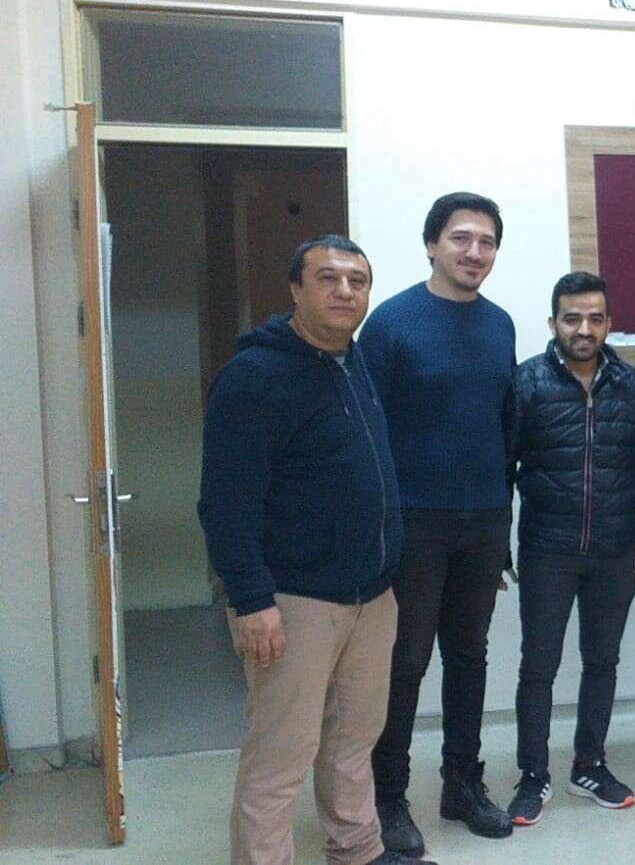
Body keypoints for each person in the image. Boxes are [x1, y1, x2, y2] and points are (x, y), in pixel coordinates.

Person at [198, 236, 430, 865]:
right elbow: (225, 502)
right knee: (280, 757)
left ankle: (358, 850)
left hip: (371, 596)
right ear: (295, 289)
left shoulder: (355, 363)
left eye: (358, 280)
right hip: (293, 600)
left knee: (353, 741)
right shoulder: (255, 376)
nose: (345, 291)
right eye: (328, 278)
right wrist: (252, 601)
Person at [361, 193, 517, 855]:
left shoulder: (501, 325)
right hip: (414, 523)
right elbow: (367, 430)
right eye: (461, 238)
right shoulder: (391, 323)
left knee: (470, 654)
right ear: (432, 244)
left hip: (484, 519)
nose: (474, 252)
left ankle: (462, 784)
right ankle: (388, 799)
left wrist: (501, 530)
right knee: (406, 660)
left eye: (486, 241)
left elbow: (503, 428)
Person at [504, 272, 635, 827]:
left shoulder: (630, 384)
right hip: (547, 548)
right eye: (572, 318)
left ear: (609, 324)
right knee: (539, 666)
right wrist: (498, 543)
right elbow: (503, 467)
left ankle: (589, 765)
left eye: (595, 318)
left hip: (614, 548)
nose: (584, 329)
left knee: (602, 661)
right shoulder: (526, 382)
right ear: (553, 323)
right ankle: (533, 774)